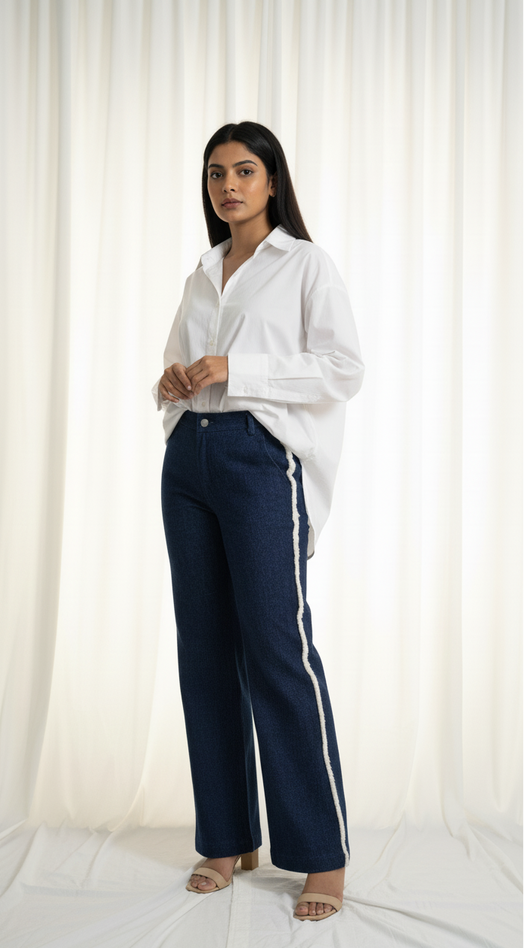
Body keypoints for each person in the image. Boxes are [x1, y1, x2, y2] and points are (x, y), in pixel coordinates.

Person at [153, 121, 364, 921]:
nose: (228, 186)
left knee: (277, 648)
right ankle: (227, 836)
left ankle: (320, 855)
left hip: (258, 460)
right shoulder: (203, 271)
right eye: (215, 174)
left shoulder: (304, 264)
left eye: (244, 171)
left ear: (272, 181)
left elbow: (344, 369)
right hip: (190, 461)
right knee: (203, 649)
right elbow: (176, 371)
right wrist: (173, 381)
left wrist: (237, 370)